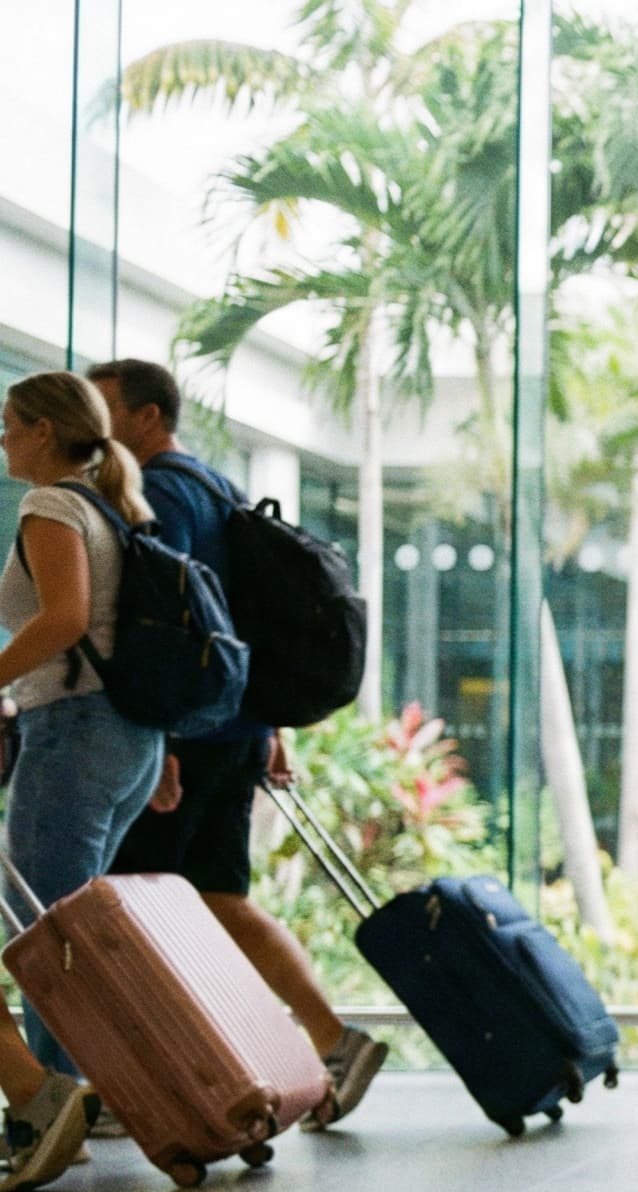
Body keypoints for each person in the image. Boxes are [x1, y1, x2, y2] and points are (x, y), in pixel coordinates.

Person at [88, 360, 388, 1131]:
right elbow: (245, 618)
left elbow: (172, 619)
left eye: (104, 406)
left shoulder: (162, 491)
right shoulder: (217, 485)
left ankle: (164, 1076)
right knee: (219, 898)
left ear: (148, 417)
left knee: (140, 909)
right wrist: (270, 725)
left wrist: (165, 738)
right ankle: (323, 1039)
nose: (93, 421)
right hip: (237, 725)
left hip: (193, 732)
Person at [0, 371, 168, 1192]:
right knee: (72, 928)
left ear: (42, 430)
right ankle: (92, 1094)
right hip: (127, 734)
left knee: (45, 936)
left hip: (71, 729)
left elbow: (63, 620)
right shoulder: (112, 504)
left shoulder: (52, 505)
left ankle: (52, 1111)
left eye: (8, 424)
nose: (1, 439)